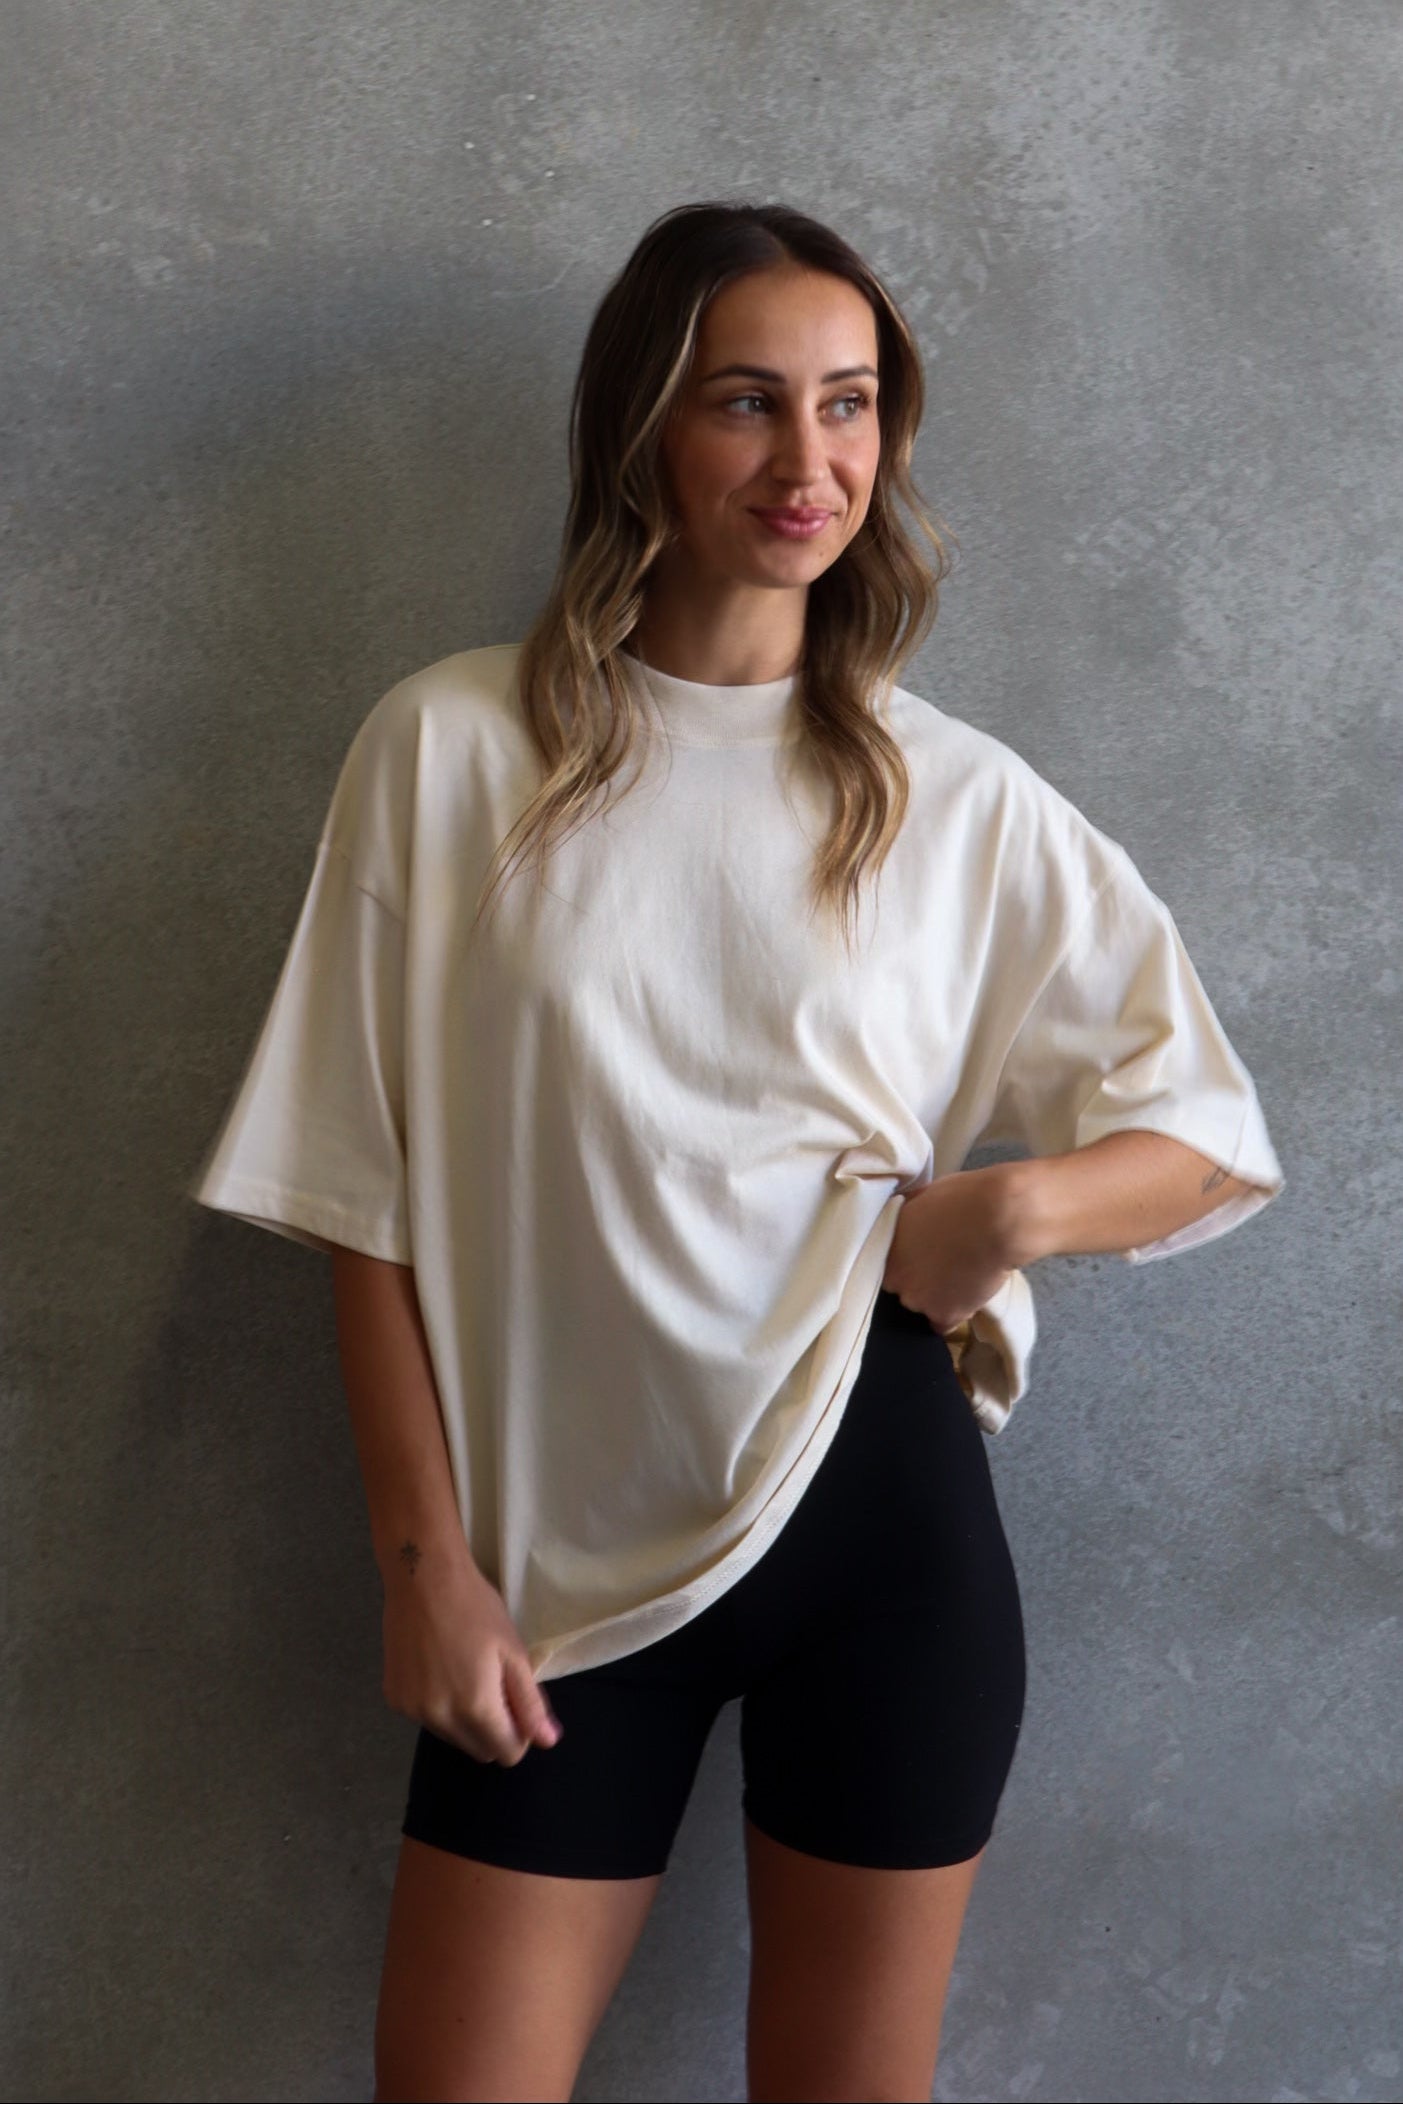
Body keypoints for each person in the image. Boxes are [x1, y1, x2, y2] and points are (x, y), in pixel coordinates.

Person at [188, 200, 1286, 2102]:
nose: (811, 463)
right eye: (749, 403)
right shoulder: (452, 751)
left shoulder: (952, 795)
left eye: (851, 406)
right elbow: (358, 1196)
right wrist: (421, 1568)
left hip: (883, 1524)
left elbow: (1205, 1133)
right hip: (552, 1569)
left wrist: (1004, 1212)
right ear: (643, 432)